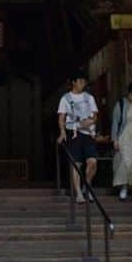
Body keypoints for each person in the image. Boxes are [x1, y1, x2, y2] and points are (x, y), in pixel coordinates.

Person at [56, 71, 98, 202]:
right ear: (73, 82)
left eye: (84, 82)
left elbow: (95, 115)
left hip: (87, 132)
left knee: (92, 161)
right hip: (73, 132)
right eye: (80, 81)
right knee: (76, 164)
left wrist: (91, 121)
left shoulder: (89, 97)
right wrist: (62, 132)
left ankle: (87, 184)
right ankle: (79, 193)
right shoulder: (65, 98)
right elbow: (61, 117)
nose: (82, 84)